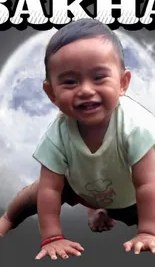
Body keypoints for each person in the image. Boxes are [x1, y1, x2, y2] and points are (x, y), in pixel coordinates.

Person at [1, 18, 155, 259]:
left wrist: (148, 231)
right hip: (83, 189)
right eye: (70, 81)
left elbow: (148, 184)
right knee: (36, 192)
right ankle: (7, 219)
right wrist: (52, 237)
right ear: (51, 93)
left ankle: (103, 210)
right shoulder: (59, 132)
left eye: (98, 77)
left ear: (123, 83)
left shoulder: (134, 125)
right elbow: (50, 190)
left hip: (133, 197)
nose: (85, 89)